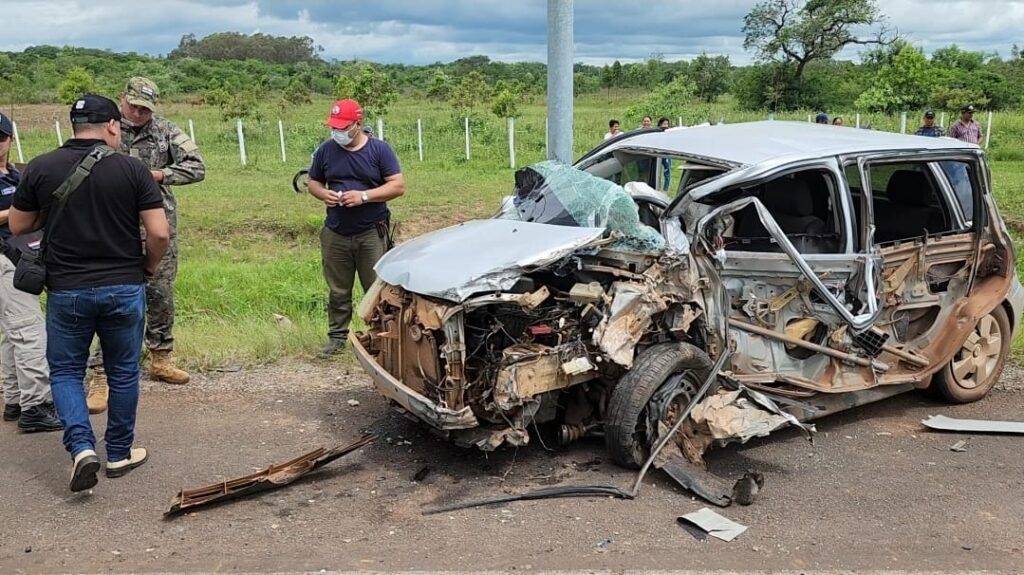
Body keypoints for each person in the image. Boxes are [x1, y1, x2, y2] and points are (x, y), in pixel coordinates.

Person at [10, 94, 169, 492]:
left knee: (65, 371)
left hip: (67, 291)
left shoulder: (40, 167)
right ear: (113, 126)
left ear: (74, 126)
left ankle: (81, 447)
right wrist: (147, 266)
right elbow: (159, 232)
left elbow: (17, 226)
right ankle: (118, 452)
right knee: (123, 371)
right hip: (123, 286)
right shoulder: (132, 170)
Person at [84, 77, 205, 414]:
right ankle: (100, 374)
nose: (137, 113)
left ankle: (161, 357)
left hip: (156, 225)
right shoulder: (105, 130)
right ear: (121, 99)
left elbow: (197, 167)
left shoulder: (166, 130)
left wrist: (160, 175)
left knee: (161, 293)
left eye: (145, 109)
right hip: (113, 226)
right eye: (133, 106)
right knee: (109, 298)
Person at [307, 99, 405, 357]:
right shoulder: (326, 150)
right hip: (336, 230)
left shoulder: (380, 151)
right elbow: (313, 182)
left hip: (370, 230)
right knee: (338, 288)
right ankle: (337, 338)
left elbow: (397, 186)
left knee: (375, 288)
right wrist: (323, 194)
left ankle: (381, 338)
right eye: (334, 127)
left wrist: (364, 196)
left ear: (358, 124)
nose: (337, 132)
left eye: (343, 127)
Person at [0, 112, 62, 433]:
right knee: (29, 331)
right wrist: (18, 212)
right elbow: (22, 213)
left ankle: (14, 400)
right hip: (3, 259)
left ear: (10, 139)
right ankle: (36, 406)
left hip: (23, 255)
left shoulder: (17, 173)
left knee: (13, 334)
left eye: (0, 137)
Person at [657, 117, 672, 191]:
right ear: (660, 124)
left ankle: (665, 189)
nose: (666, 125)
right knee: (657, 172)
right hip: (658, 154)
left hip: (667, 154)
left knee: (667, 171)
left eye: (667, 124)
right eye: (664, 124)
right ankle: (657, 187)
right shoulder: (656, 133)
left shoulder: (669, 133)